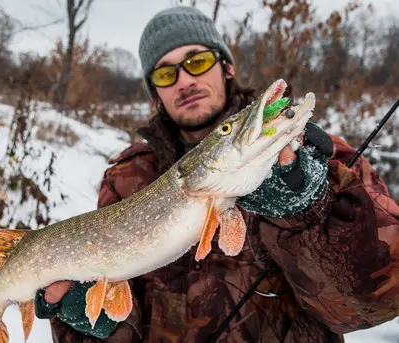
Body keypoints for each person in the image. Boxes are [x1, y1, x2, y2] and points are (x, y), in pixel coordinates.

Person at [34, 6, 399, 343]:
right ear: (156, 92)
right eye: (165, 72)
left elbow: (378, 302)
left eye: (197, 61)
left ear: (226, 66)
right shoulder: (125, 178)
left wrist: (308, 207)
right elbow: (123, 317)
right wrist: (97, 326)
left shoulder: (315, 154)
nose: (184, 80)